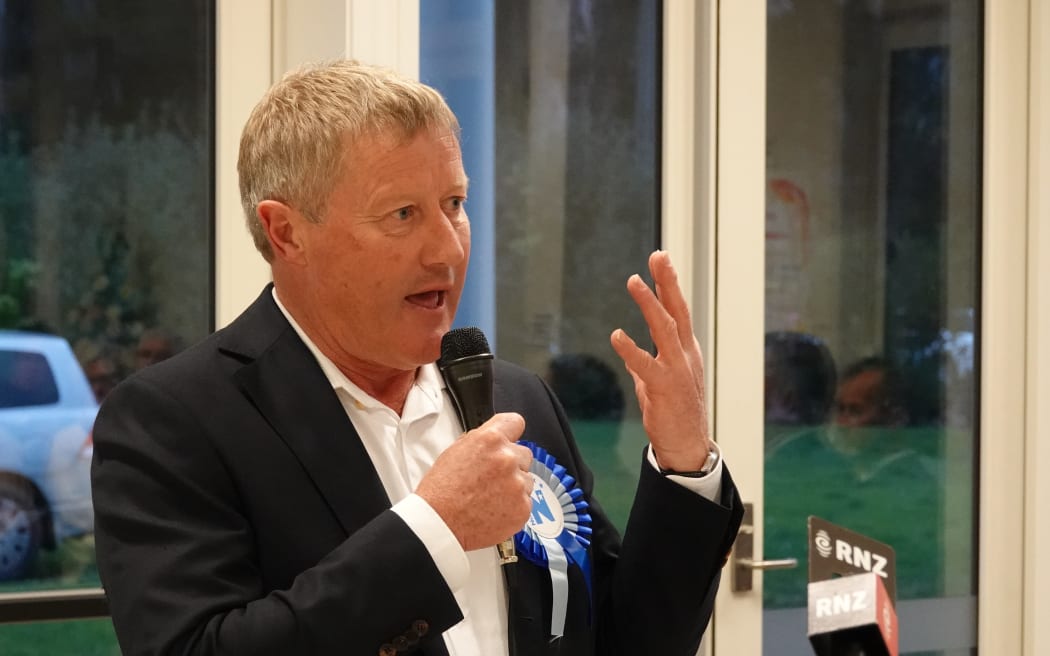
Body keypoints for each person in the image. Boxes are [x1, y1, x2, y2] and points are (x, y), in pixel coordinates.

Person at [91, 60, 742, 656]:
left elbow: (633, 640)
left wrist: (686, 465)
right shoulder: (174, 421)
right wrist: (432, 530)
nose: (446, 250)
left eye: (454, 205)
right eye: (402, 214)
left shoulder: (517, 401)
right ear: (286, 232)